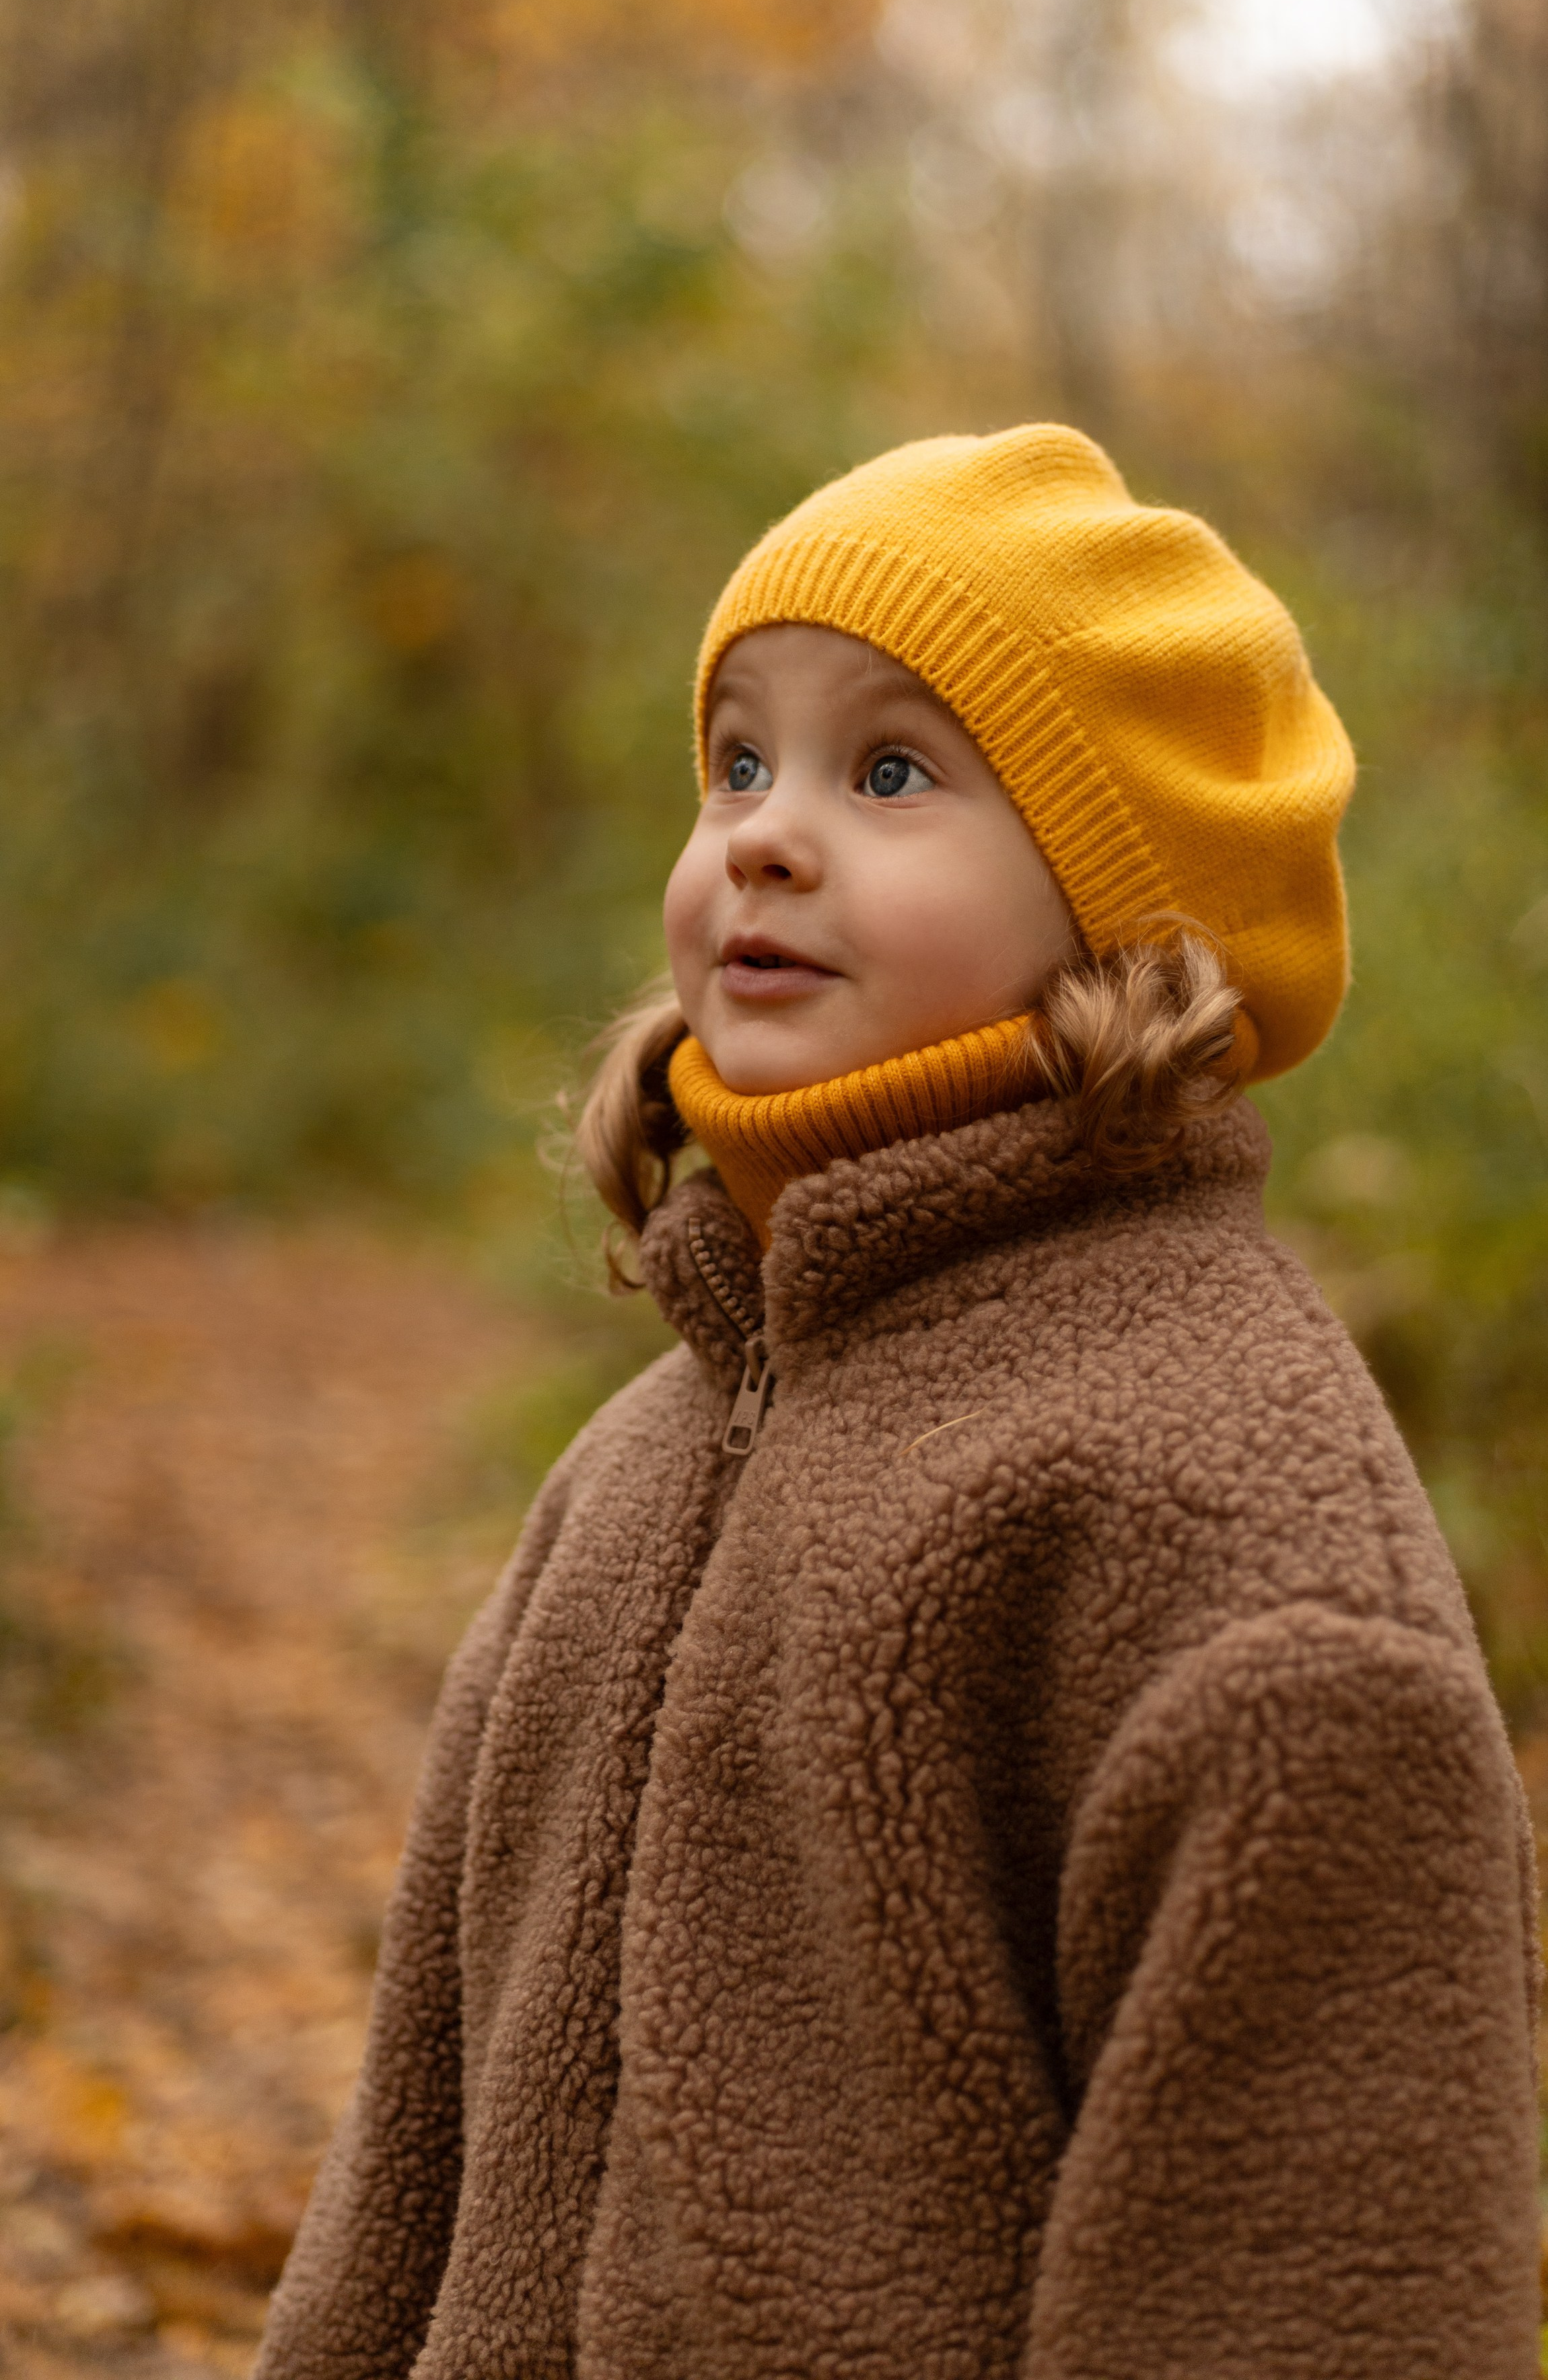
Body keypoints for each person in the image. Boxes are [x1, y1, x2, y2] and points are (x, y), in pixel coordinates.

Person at [256, 425, 1541, 2380]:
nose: (764, 833)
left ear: (1131, 913)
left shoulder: (1211, 1514)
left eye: (890, 772)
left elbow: (1310, 2277)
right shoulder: (640, 1458)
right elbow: (410, 2161)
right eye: (737, 764)